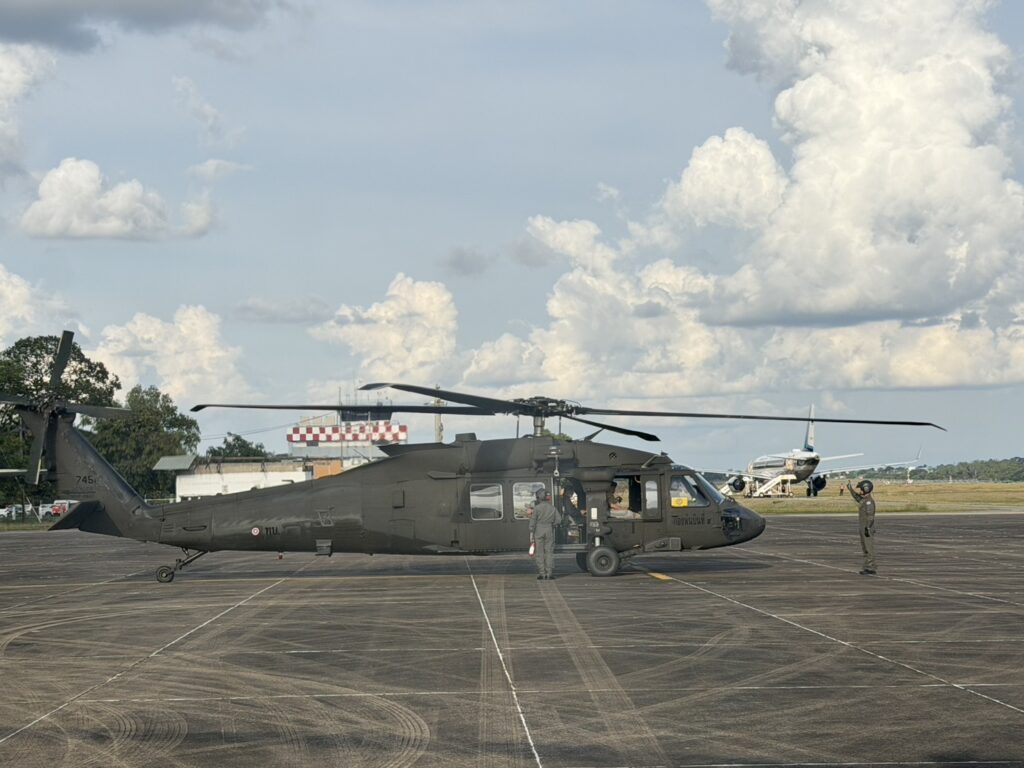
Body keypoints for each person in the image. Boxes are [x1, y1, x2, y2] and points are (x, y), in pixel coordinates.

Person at [529, 488, 561, 580]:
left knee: (539, 553)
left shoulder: (537, 508)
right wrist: (552, 525)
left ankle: (542, 574)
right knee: (549, 552)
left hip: (538, 530)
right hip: (549, 530)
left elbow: (533, 521)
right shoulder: (552, 508)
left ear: (539, 497)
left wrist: (531, 531)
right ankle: (549, 573)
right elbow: (558, 520)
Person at [847, 477, 877, 575]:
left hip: (866, 528)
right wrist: (850, 490)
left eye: (860, 489)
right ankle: (867, 566)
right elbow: (857, 498)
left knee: (869, 548)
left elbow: (870, 517)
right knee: (865, 548)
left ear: (866, 489)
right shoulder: (864, 500)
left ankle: (871, 567)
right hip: (864, 527)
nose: (859, 491)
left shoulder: (869, 502)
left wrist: (867, 528)